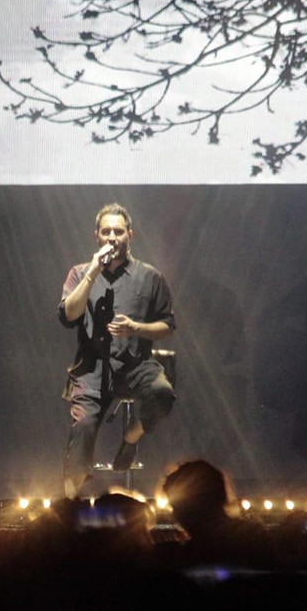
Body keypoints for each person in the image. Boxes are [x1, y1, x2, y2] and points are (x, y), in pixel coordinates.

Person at [58, 203, 176, 498]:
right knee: (82, 427)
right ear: (96, 236)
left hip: (135, 364)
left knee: (162, 393)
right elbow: (68, 316)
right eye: (106, 231)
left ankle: (131, 435)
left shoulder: (150, 277)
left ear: (130, 235)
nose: (112, 237)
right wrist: (92, 273)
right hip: (92, 370)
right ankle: (70, 510)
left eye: (118, 232)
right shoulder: (80, 272)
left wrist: (135, 328)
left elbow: (167, 326)